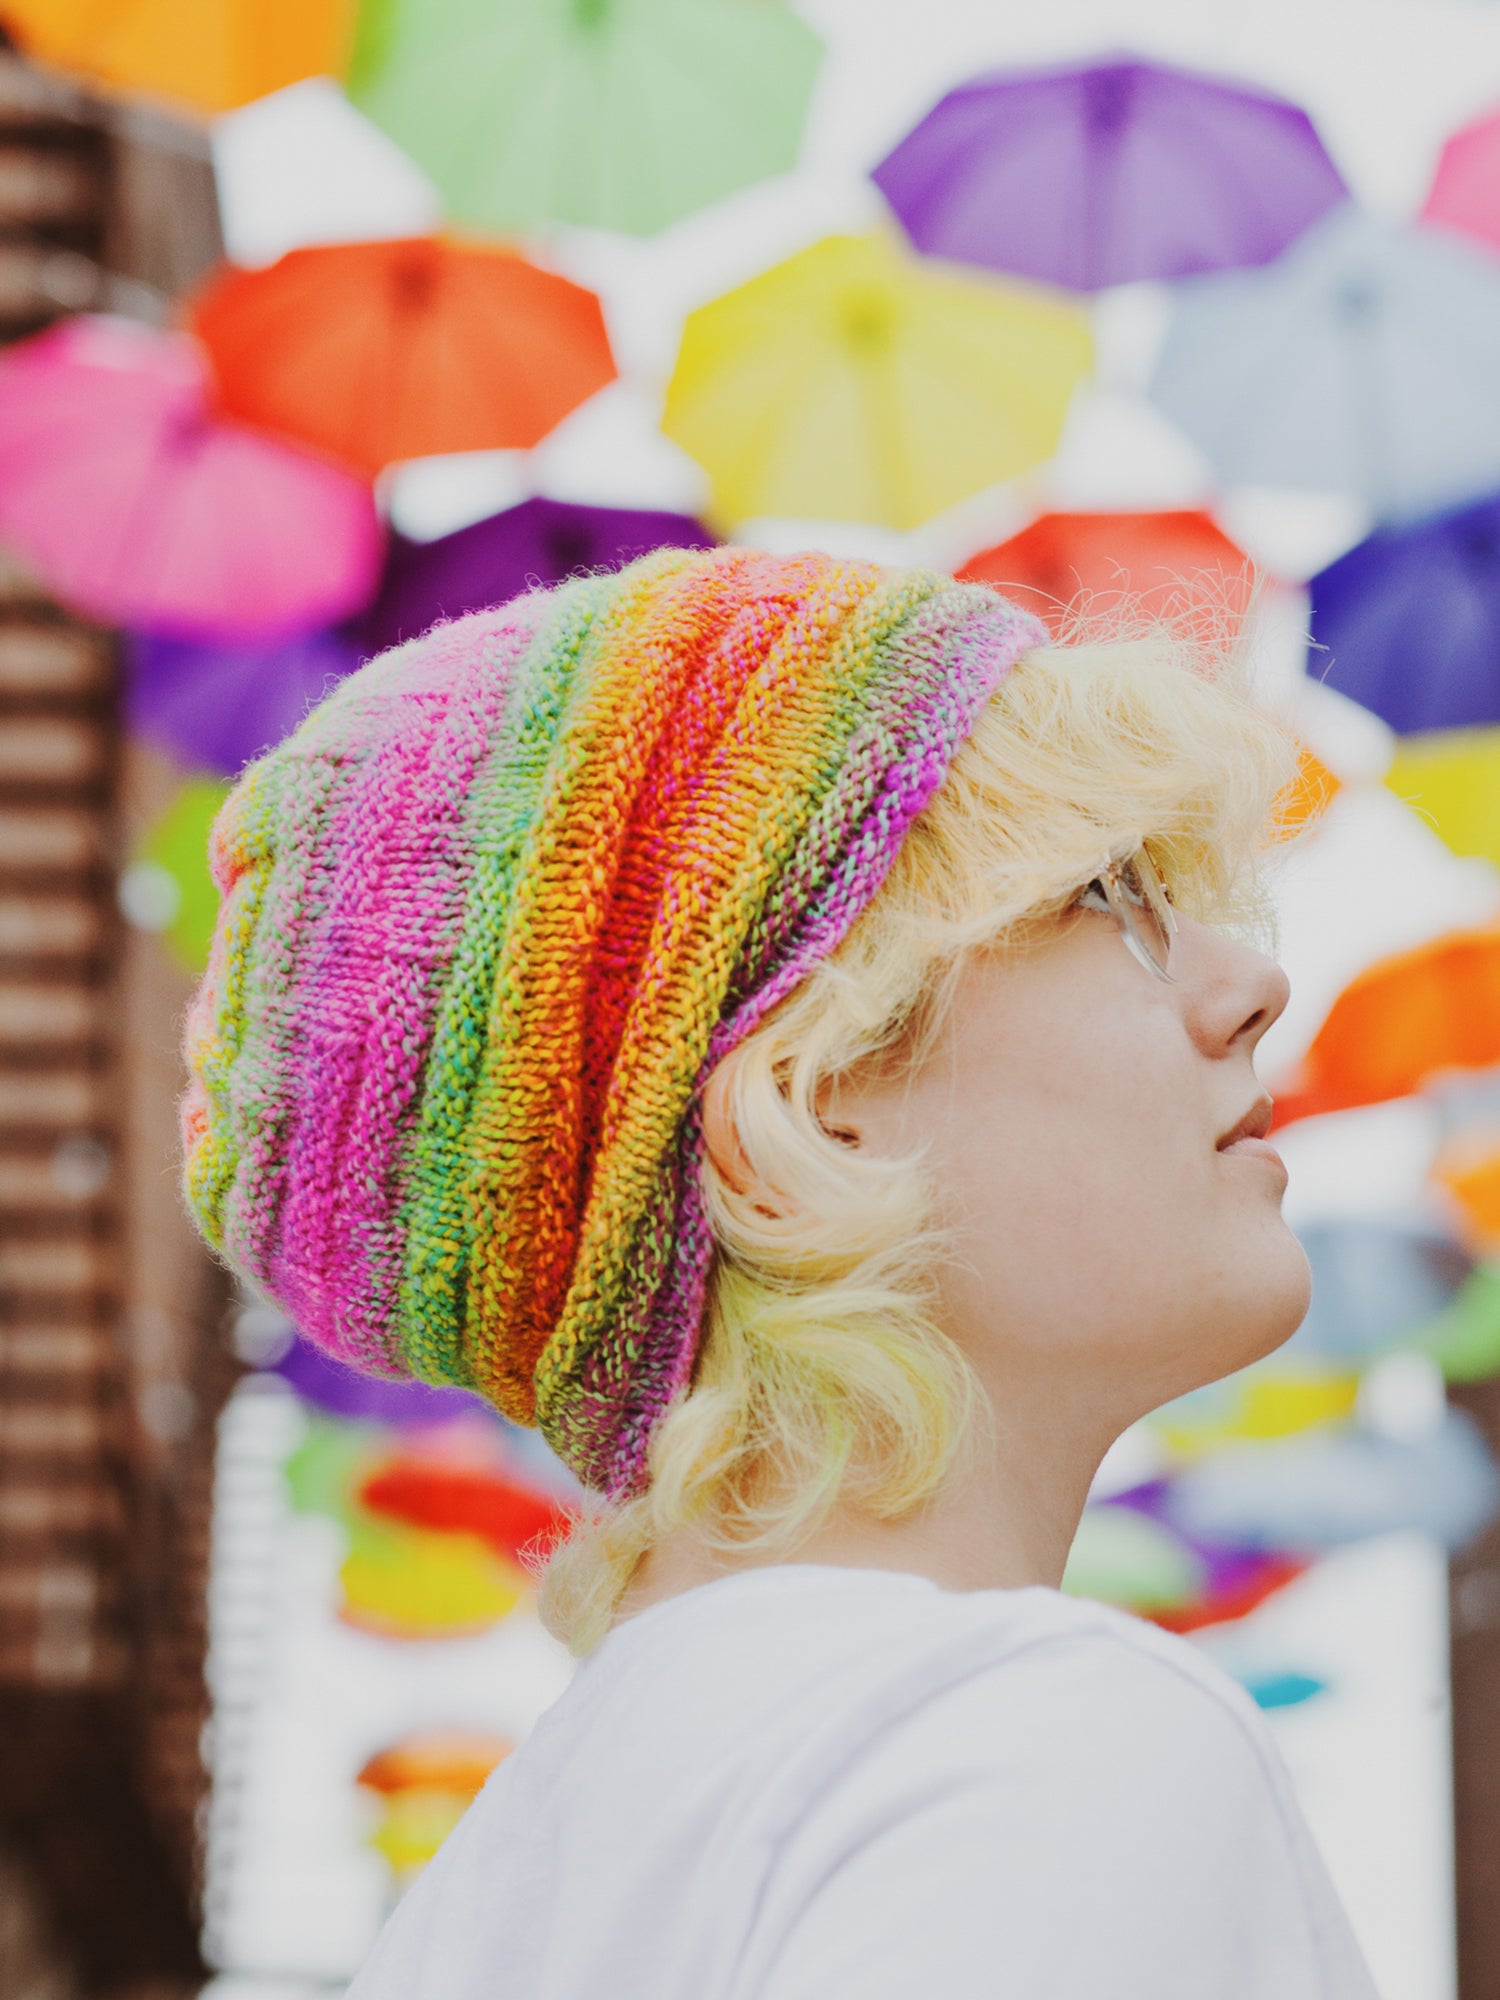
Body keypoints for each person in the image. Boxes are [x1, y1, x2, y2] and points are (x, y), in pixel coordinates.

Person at [181, 548, 1381, 1999]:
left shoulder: (510, 1883)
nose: (1250, 983)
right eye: (1104, 895)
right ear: (803, 1104)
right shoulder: (1006, 1749)